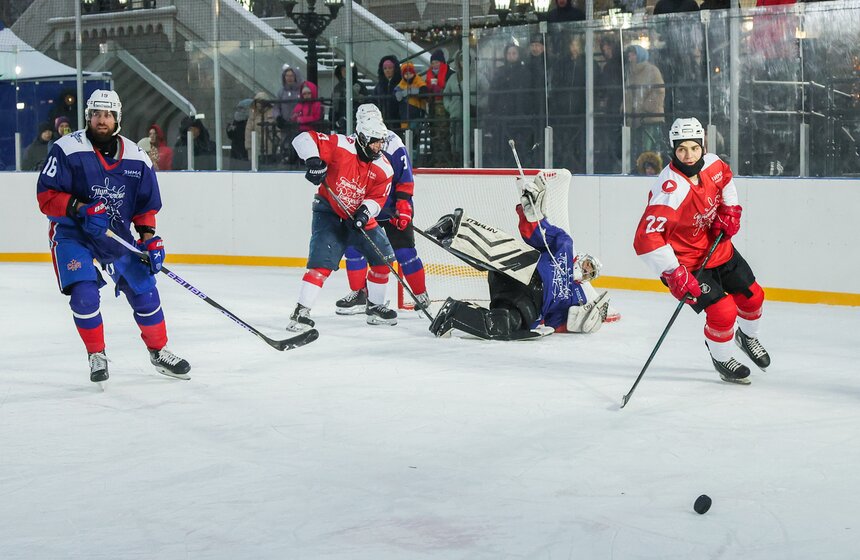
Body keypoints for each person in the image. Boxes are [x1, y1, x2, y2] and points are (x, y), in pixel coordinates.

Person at [35, 89, 191, 384]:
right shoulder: (67, 148)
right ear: (88, 116)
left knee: (144, 289)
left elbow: (145, 207)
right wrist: (80, 208)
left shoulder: (137, 157)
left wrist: (149, 239)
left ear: (117, 118)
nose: (101, 120)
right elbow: (46, 196)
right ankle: (96, 353)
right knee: (84, 295)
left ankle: (159, 351)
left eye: (107, 114)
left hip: (114, 235)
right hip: (72, 234)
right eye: (96, 114)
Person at [633, 117, 770, 384]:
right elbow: (646, 239)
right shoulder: (669, 190)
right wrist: (673, 273)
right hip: (688, 266)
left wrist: (730, 209)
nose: (689, 155)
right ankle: (722, 357)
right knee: (723, 311)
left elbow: (726, 181)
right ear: (673, 149)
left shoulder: (713, 163)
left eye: (694, 148)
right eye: (682, 149)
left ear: (702, 146)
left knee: (753, 297)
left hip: (718, 249)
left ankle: (747, 337)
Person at [428, 175, 612, 341]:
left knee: (505, 324)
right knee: (500, 250)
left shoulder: (576, 297)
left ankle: (454, 314)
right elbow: (536, 234)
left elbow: (557, 323)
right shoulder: (565, 246)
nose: (586, 271)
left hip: (528, 302)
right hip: (524, 271)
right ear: (582, 258)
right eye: (588, 265)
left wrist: (583, 322)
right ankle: (453, 228)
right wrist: (532, 215)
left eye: (590, 273)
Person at [288, 103, 398, 331]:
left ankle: (375, 307)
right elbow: (302, 139)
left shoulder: (384, 168)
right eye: (374, 142)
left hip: (359, 217)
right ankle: (301, 312)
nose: (379, 147)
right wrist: (313, 161)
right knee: (321, 263)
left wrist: (365, 212)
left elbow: (378, 198)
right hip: (329, 211)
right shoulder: (340, 145)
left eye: (381, 142)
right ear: (361, 138)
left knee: (384, 257)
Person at [335, 104, 430, 315]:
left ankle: (421, 295)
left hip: (394, 208)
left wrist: (403, 206)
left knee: (404, 251)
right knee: (354, 249)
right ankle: (360, 294)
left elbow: (405, 178)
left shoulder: (394, 143)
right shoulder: (353, 143)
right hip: (366, 208)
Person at [373, 55, 402, 131]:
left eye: (390, 68)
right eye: (385, 68)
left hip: (397, 121)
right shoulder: (379, 86)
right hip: (382, 122)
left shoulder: (400, 84)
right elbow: (374, 100)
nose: (387, 70)